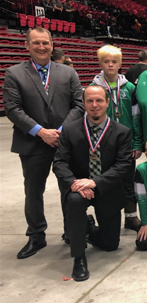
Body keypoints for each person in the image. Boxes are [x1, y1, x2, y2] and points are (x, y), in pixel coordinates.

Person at [4, 27, 84, 258]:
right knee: (33, 190)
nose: (41, 47)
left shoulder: (68, 73)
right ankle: (36, 235)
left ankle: (71, 231)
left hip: (64, 141)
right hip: (32, 142)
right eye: (36, 43)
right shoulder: (14, 73)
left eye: (45, 43)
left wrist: (60, 131)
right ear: (27, 45)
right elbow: (12, 108)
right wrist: (41, 132)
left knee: (69, 189)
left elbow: (78, 105)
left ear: (52, 44)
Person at [53, 85, 132, 282]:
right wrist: (75, 183)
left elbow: (123, 165)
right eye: (90, 101)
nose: (94, 105)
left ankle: (87, 227)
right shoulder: (70, 130)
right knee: (74, 201)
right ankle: (78, 257)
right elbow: (60, 162)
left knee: (111, 244)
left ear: (107, 103)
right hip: (78, 188)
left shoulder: (121, 132)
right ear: (83, 103)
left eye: (99, 100)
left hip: (106, 188)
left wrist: (94, 182)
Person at [90, 44, 142, 231]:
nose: (110, 65)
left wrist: (137, 142)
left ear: (120, 63)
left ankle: (130, 217)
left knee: (128, 180)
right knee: (105, 180)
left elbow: (136, 117)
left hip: (126, 141)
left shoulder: (130, 88)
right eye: (106, 61)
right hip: (102, 141)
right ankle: (107, 217)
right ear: (100, 63)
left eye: (114, 61)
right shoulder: (94, 88)